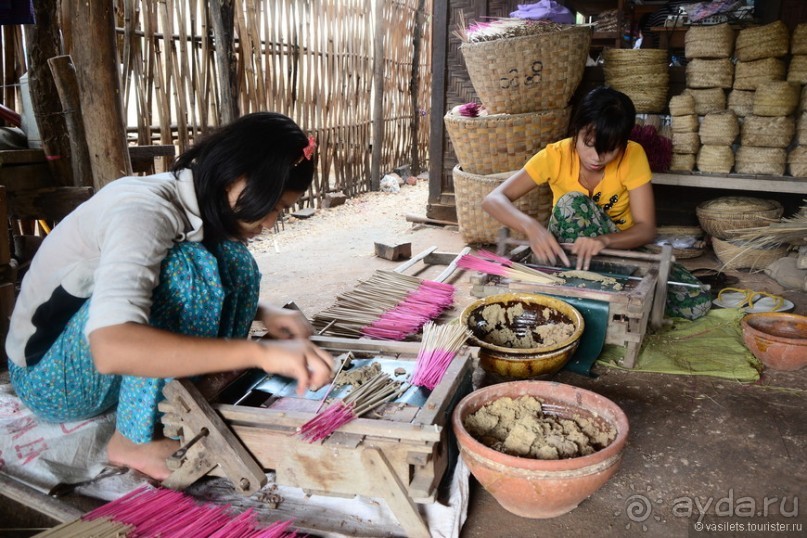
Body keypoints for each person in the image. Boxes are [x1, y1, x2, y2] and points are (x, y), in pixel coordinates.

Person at [5, 112, 334, 480]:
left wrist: (265, 312)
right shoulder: (143, 212)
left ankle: (205, 378)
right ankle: (132, 442)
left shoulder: (193, 207)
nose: (271, 221)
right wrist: (261, 352)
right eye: (272, 205)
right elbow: (110, 347)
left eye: (281, 210)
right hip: (50, 379)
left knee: (234, 259)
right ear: (235, 175)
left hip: (80, 359)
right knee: (185, 270)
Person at [482, 86, 710, 321]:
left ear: (623, 143)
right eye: (588, 144)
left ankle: (597, 291)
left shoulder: (633, 155)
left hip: (618, 250)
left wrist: (603, 241)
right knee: (571, 202)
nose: (597, 158)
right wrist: (530, 227)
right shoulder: (555, 156)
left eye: (609, 150)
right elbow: (493, 199)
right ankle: (590, 291)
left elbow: (645, 228)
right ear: (576, 129)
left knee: (697, 304)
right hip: (567, 253)